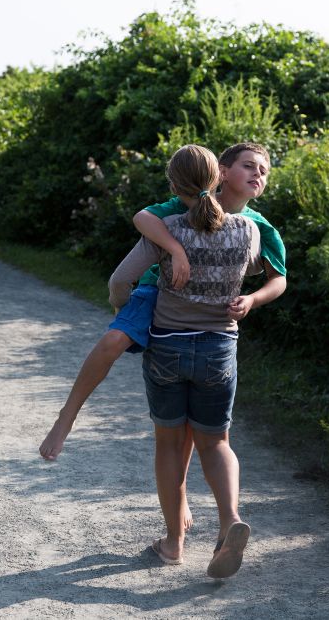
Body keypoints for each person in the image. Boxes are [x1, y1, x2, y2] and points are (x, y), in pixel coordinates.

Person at [37, 142, 285, 462]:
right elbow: (143, 218)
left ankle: (178, 502)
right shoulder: (192, 199)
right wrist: (177, 250)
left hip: (209, 318)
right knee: (113, 339)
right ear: (221, 172)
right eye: (250, 166)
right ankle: (67, 416)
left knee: (188, 427)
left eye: (264, 171)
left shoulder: (260, 228)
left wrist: (253, 299)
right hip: (157, 289)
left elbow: (278, 279)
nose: (258, 174)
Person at [108, 144, 263, 578]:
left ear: (174, 187)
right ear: (218, 179)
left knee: (169, 444)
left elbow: (121, 279)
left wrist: (129, 313)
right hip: (218, 348)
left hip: (169, 346)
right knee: (216, 443)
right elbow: (250, 270)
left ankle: (174, 543)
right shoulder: (248, 230)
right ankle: (230, 519)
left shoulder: (168, 229)